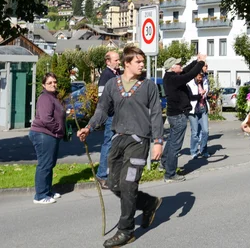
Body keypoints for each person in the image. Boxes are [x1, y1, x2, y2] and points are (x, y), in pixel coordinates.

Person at [77, 46, 164, 247]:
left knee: (128, 185)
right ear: (126, 63)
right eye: (138, 62)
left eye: (143, 61)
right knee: (113, 184)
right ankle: (149, 203)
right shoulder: (111, 84)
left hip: (139, 141)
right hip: (118, 140)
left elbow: (156, 114)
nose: (142, 65)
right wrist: (89, 127)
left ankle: (126, 231)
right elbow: (102, 110)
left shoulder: (149, 86)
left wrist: (158, 142)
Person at [161, 54, 206, 182]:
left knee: (171, 142)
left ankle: (164, 164)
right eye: (178, 64)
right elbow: (189, 75)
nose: (181, 65)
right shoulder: (173, 79)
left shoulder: (172, 76)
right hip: (178, 115)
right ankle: (170, 174)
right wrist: (201, 63)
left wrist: (196, 61)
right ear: (172, 68)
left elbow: (186, 70)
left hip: (175, 114)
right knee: (175, 145)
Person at [29, 73, 65, 204]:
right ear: (44, 85)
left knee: (49, 164)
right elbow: (46, 119)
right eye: (49, 83)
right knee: (44, 164)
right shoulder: (45, 98)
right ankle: (40, 195)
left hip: (51, 135)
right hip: (43, 134)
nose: (53, 84)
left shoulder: (53, 97)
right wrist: (58, 129)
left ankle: (47, 190)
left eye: (54, 82)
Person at [95, 50, 121, 189]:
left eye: (118, 60)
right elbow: (102, 98)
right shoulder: (106, 76)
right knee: (108, 145)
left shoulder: (117, 74)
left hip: (118, 115)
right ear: (108, 61)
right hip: (112, 116)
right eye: (116, 60)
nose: (118, 62)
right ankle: (102, 175)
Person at [188, 72, 210, 158]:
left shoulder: (205, 82)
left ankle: (203, 150)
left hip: (203, 108)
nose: (200, 79)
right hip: (193, 110)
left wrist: (208, 95)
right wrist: (199, 95)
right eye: (199, 77)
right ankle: (193, 151)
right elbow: (190, 97)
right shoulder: (190, 84)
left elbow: (206, 95)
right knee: (195, 132)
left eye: (201, 77)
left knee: (205, 131)